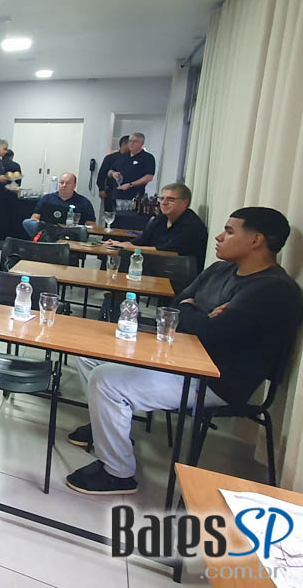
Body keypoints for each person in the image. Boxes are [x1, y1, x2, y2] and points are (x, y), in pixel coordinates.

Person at [64, 207, 303, 495]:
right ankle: (108, 429)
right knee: (91, 355)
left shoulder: (273, 289)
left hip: (216, 379)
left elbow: (212, 333)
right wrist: (198, 314)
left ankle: (117, 472)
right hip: (181, 355)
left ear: (256, 240)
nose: (218, 237)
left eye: (229, 231)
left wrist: (194, 314)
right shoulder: (221, 269)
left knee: (106, 380)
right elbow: (175, 307)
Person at [104, 182, 208, 272]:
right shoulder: (161, 219)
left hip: (177, 270)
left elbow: (168, 251)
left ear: (185, 203)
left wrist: (131, 248)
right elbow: (141, 241)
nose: (164, 203)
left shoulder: (191, 225)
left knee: (127, 256)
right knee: (118, 254)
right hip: (158, 263)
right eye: (162, 198)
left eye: (170, 199)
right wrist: (119, 244)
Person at [22, 173, 97, 239]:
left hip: (71, 232)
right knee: (27, 222)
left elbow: (91, 225)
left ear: (74, 185)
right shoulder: (47, 198)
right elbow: (35, 217)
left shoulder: (84, 202)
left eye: (68, 183)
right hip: (48, 231)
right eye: (62, 182)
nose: (64, 185)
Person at [108, 132, 154, 205]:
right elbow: (110, 171)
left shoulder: (147, 157)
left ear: (142, 143)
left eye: (135, 141)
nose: (131, 144)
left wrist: (130, 184)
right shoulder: (122, 156)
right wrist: (113, 173)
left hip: (134, 197)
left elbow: (149, 177)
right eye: (130, 141)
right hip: (117, 195)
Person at [97, 135, 129, 213]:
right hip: (111, 191)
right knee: (109, 213)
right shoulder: (110, 158)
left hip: (126, 191)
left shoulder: (131, 159)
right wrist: (101, 189)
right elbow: (102, 174)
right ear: (124, 144)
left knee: (124, 214)